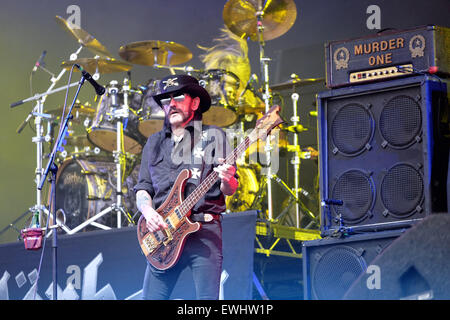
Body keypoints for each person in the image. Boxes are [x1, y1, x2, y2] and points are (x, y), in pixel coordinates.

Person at [133, 74, 239, 300]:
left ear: (195, 102)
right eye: (166, 100)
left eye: (178, 97)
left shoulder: (214, 137)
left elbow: (229, 189)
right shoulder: (153, 143)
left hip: (203, 234)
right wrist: (147, 211)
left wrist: (227, 178)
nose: (171, 104)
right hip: (163, 237)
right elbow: (143, 188)